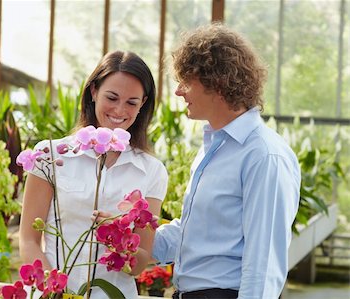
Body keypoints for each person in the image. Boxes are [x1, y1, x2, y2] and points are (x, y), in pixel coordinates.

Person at [153, 23, 301, 299]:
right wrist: (131, 233)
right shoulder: (214, 147)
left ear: (216, 83)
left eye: (186, 81)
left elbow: (264, 262)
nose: (179, 92)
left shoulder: (263, 155)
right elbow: (195, 234)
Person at [19, 50, 168, 298]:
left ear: (143, 105)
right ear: (94, 91)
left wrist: (119, 239)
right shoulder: (50, 155)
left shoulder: (152, 171)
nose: (120, 110)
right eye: (112, 97)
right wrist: (53, 290)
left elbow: (140, 263)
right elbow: (28, 240)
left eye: (132, 102)